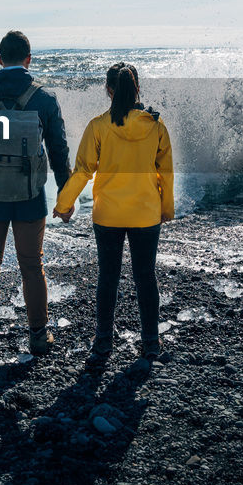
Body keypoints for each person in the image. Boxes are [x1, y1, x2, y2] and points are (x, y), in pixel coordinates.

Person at [0, 31, 71, 357]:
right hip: (31, 196)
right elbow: (59, 152)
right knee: (32, 266)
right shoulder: (44, 100)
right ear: (28, 59)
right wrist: (65, 197)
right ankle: (38, 335)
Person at [54, 62, 173, 363]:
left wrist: (64, 205)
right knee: (145, 277)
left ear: (109, 90)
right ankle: (151, 343)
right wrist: (166, 209)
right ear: (137, 90)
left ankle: (104, 342)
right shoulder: (156, 126)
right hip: (145, 213)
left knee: (108, 277)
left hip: (107, 214)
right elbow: (166, 172)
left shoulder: (98, 126)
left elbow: (83, 171)